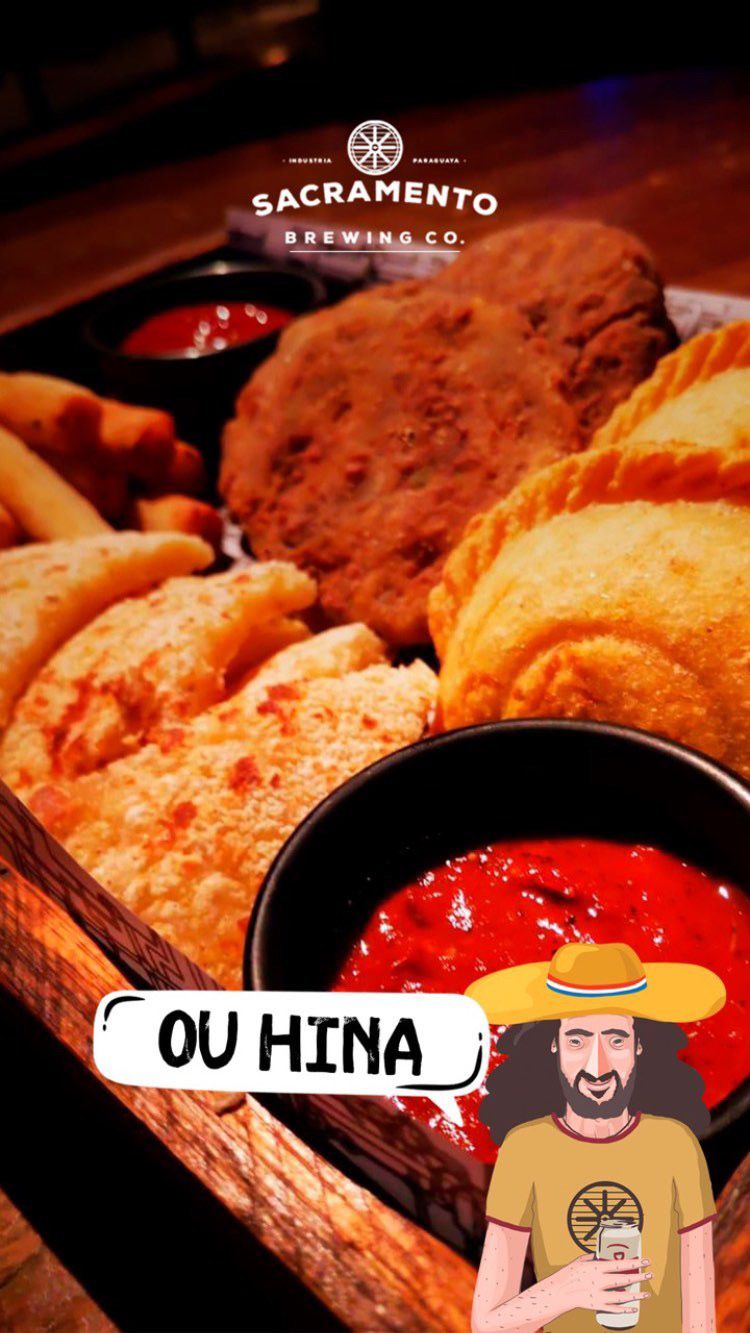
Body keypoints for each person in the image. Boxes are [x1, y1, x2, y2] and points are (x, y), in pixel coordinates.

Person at [467, 941, 724, 1333]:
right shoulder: (524, 1148)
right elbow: (488, 1323)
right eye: (577, 1040)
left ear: (639, 1046)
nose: (598, 1066)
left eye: (616, 1040)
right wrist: (566, 1290)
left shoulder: (677, 1144)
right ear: (554, 1045)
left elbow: (700, 1317)